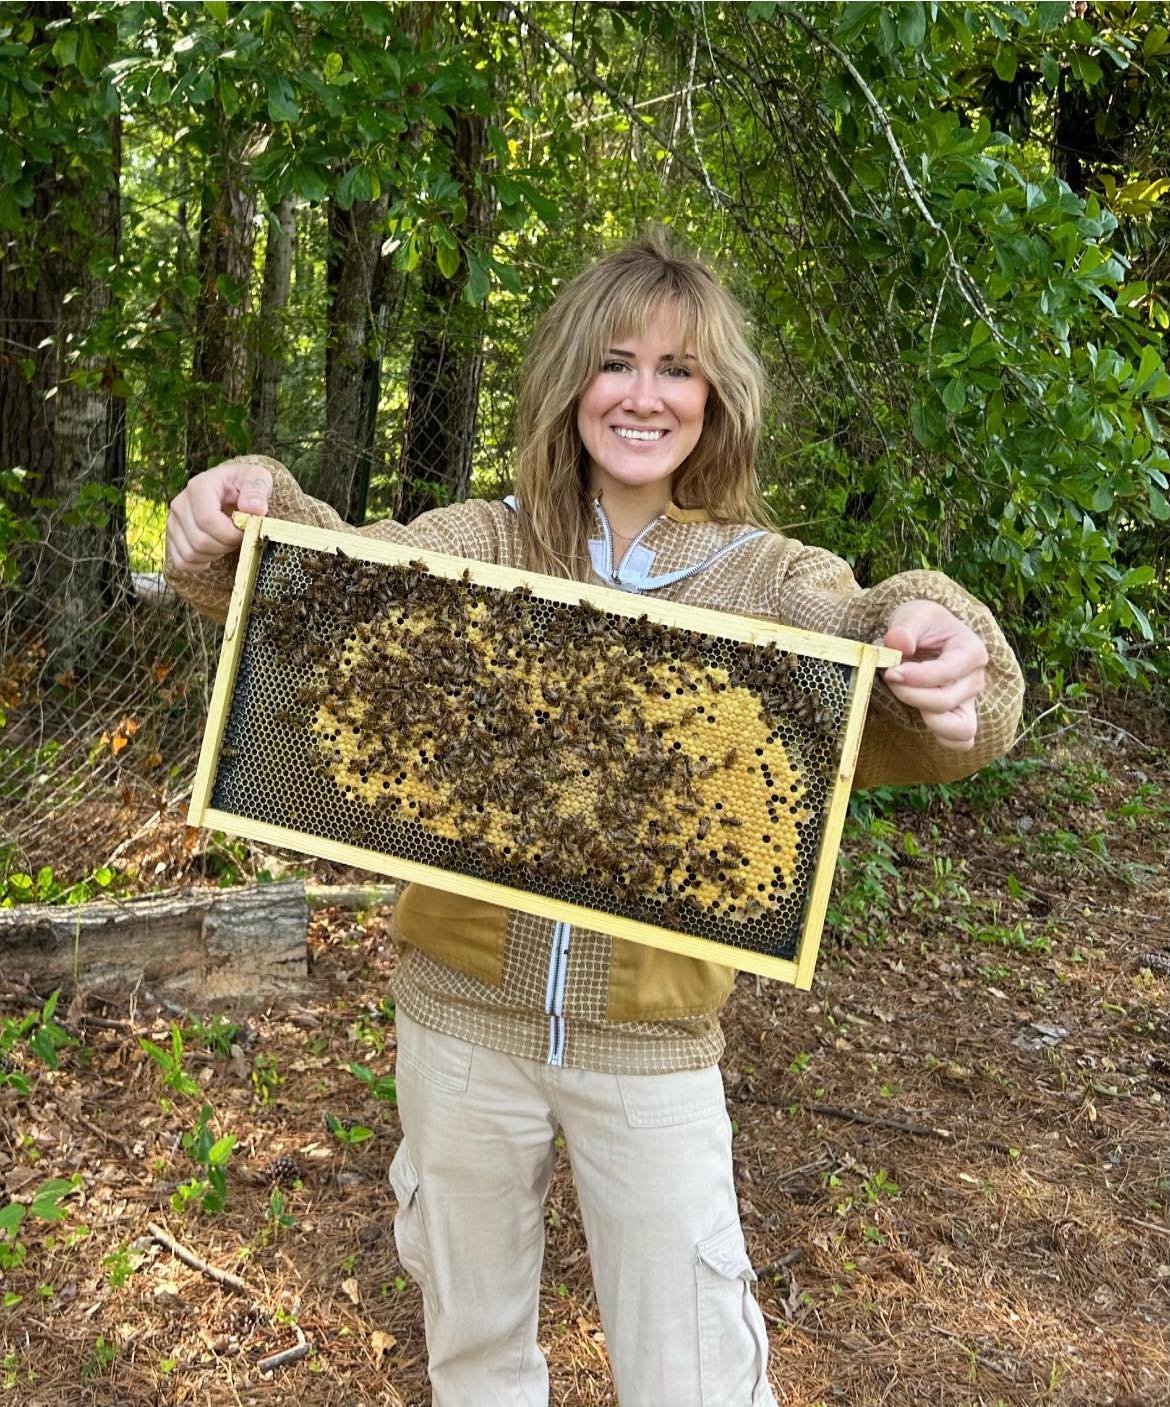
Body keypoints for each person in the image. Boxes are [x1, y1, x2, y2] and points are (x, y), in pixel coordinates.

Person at [166, 230, 1024, 1407]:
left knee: (696, 1378)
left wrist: (946, 639)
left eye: (677, 369)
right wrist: (241, 507)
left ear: (714, 400)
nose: (643, 394)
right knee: (474, 1355)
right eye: (617, 362)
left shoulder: (765, 575)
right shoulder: (481, 542)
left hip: (651, 1054)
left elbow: (885, 629)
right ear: (573, 379)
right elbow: (324, 571)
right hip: (459, 1032)